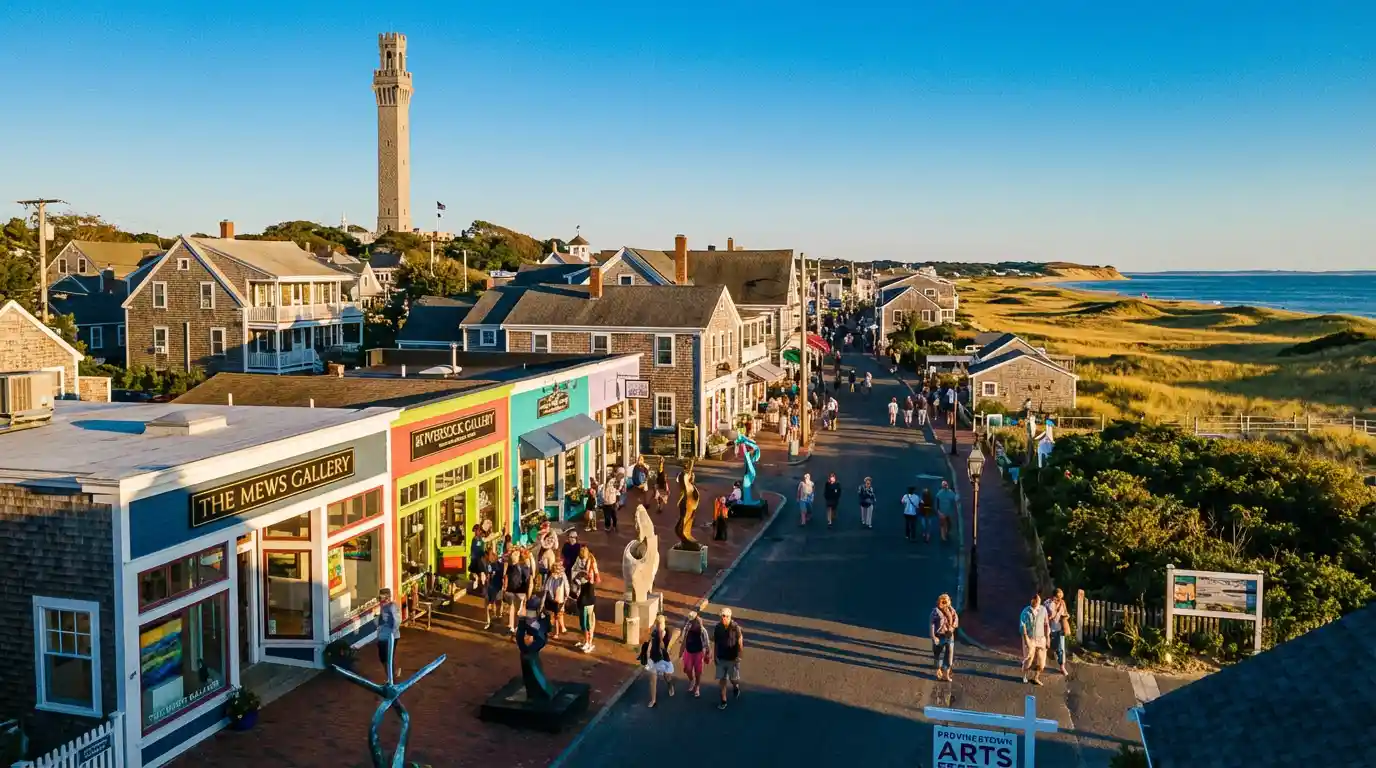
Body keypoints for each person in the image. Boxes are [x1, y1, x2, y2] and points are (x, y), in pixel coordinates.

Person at [640, 613, 677, 707]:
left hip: (663, 658)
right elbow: (650, 644)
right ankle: (653, 700)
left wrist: (662, 639)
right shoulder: (654, 632)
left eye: (660, 624)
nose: (659, 626)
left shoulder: (666, 632)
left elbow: (665, 646)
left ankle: (670, 685)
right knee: (653, 680)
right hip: (653, 657)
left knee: (666, 676)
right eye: (658, 624)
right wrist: (648, 656)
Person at [712, 607, 745, 710]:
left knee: (733, 678)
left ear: (729, 617)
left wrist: (739, 656)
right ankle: (723, 700)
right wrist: (714, 656)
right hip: (721, 657)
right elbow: (716, 643)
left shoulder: (736, 628)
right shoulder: (718, 627)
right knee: (722, 679)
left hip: (732, 658)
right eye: (721, 616)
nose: (723, 618)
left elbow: (740, 643)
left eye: (725, 616)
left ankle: (736, 687)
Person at [571, 545, 600, 653]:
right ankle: (586, 640)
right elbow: (574, 572)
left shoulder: (591, 570)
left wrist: (588, 577)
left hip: (588, 601)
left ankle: (589, 642)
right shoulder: (580, 562)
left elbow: (593, 579)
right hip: (582, 599)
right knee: (583, 623)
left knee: (588, 623)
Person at [681, 609, 711, 698]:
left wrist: (708, 653)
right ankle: (691, 680)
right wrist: (681, 651)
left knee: (698, 671)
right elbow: (684, 639)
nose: (690, 622)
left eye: (692, 620)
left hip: (698, 652)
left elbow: (706, 642)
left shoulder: (702, 630)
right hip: (688, 651)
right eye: (690, 620)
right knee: (687, 669)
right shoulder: (687, 627)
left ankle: (697, 686)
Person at [1021, 594, 1050, 685]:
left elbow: (1046, 624)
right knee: (1029, 660)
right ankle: (1025, 675)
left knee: (1041, 662)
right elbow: (1022, 626)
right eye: (1035, 603)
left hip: (1041, 639)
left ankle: (1036, 677)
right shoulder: (1025, 612)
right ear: (1032, 602)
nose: (1037, 605)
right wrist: (1026, 640)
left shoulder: (1043, 610)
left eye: (1038, 603)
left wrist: (1048, 638)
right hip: (1030, 638)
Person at [930, 593, 959, 681]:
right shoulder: (935, 612)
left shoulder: (952, 610)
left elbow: (955, 619)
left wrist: (952, 627)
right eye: (942, 601)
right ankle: (938, 669)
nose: (944, 603)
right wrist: (933, 636)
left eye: (946, 601)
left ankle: (946, 673)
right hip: (939, 636)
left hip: (949, 636)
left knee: (949, 656)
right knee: (937, 653)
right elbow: (931, 624)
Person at [504, 549, 533, 635]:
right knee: (512, 608)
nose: (513, 556)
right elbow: (507, 577)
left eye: (515, 555)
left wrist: (528, 595)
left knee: (519, 611)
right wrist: (505, 588)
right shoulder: (510, 566)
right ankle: (512, 627)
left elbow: (529, 581)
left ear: (519, 557)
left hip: (521, 592)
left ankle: (519, 627)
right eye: (513, 554)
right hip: (511, 590)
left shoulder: (523, 567)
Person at [376, 587, 402, 677]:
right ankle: (391, 675)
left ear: (387, 597)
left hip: (391, 637)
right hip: (382, 636)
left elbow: (397, 621)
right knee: (383, 658)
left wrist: (391, 634)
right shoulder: (383, 607)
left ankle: (391, 680)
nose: (379, 600)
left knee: (388, 658)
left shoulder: (392, 606)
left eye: (380, 598)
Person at [1044, 588, 1070, 675]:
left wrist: (1065, 617)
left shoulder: (1062, 603)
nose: (1060, 600)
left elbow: (1066, 613)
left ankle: (1062, 666)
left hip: (1060, 629)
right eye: (1058, 598)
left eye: (1061, 598)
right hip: (1050, 629)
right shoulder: (1047, 603)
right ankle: (1040, 662)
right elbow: (1046, 617)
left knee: (1061, 648)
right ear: (1053, 596)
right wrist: (1055, 613)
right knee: (1046, 646)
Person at [544, 562, 570, 638]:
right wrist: (566, 596)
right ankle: (562, 629)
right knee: (559, 613)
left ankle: (556, 633)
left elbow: (547, 587)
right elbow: (567, 587)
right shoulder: (563, 576)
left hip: (554, 599)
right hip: (561, 598)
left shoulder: (551, 577)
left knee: (556, 615)